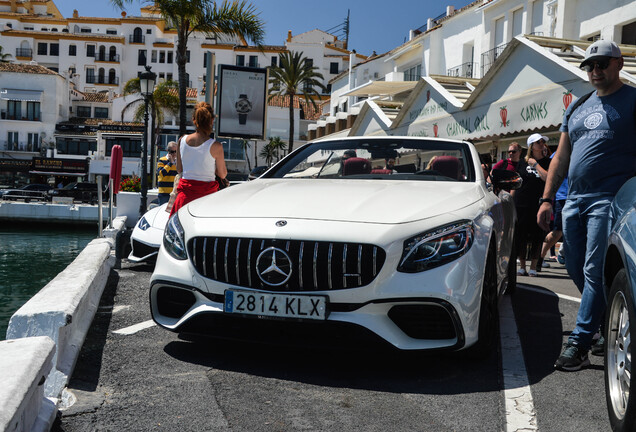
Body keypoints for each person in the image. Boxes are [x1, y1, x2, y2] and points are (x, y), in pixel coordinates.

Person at [538, 40, 636, 371]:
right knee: (573, 263)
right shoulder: (577, 106)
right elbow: (561, 157)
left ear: (619, 63)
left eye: (602, 64)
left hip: (609, 198)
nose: (595, 71)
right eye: (590, 66)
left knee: (594, 269)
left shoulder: (634, 99)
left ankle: (578, 343)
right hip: (573, 199)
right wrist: (547, 197)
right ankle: (604, 325)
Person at [170, 102, 228, 217]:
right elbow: (222, 174)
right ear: (211, 121)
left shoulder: (182, 140)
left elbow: (179, 169)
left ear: (194, 120)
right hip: (206, 200)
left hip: (184, 198)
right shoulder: (216, 146)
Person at [513, 135, 551, 277]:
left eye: (543, 142)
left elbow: (548, 178)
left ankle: (534, 266)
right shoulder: (522, 163)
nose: (542, 144)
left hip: (539, 203)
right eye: (538, 142)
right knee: (521, 235)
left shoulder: (547, 162)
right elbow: (516, 183)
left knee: (537, 234)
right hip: (521, 203)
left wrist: (535, 165)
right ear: (531, 145)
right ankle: (522, 266)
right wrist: (510, 201)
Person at [156, 141, 178, 205]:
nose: (174, 153)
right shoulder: (162, 160)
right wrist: (170, 163)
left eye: (175, 151)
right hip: (164, 194)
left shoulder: (178, 162)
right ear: (167, 150)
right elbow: (161, 173)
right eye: (172, 151)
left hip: (174, 194)